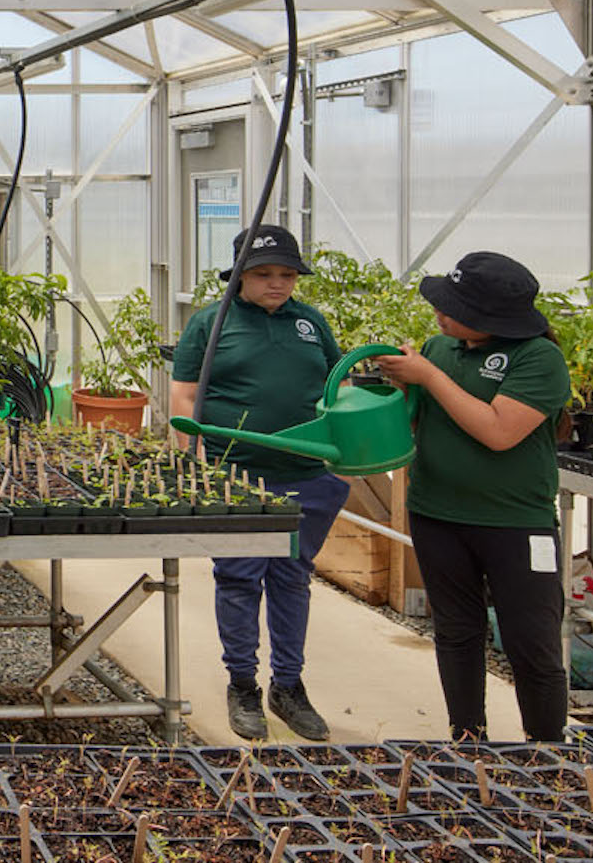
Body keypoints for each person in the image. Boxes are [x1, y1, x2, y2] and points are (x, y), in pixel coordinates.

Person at [372, 251, 571, 742]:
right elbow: (420, 423)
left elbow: (500, 432)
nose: (439, 313)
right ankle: (467, 739)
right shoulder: (440, 348)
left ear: (491, 318)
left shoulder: (538, 358)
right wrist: (402, 389)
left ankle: (547, 750)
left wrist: (429, 379)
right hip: (438, 515)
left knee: (532, 642)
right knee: (457, 633)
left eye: (452, 305)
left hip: (515, 523)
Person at [169, 223, 348, 742]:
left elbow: (337, 388)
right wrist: (196, 464)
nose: (277, 283)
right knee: (241, 579)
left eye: (287, 274)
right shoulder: (211, 323)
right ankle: (242, 683)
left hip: (306, 475)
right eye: (264, 274)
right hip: (238, 475)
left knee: (293, 578)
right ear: (240, 276)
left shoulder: (310, 323)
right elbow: (184, 399)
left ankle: (288, 686)